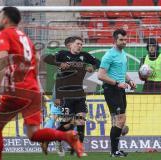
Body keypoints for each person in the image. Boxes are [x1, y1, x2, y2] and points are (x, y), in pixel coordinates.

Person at [0, 7, 83, 160]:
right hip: (32, 91)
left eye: (0, 17)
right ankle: (67, 136)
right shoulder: (25, 37)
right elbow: (37, 59)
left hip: (16, 90)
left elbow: (3, 58)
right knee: (33, 134)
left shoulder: (4, 34)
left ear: (5, 19)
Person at [43, 36, 100, 156]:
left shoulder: (84, 56)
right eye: (78, 44)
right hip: (65, 95)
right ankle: (53, 140)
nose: (80, 46)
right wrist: (59, 63)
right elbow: (46, 58)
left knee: (80, 121)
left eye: (81, 44)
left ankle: (79, 149)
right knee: (66, 125)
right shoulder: (63, 54)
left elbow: (98, 62)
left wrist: (92, 67)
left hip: (79, 93)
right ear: (70, 45)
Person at [98, 29, 136, 157]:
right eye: (121, 40)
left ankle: (115, 150)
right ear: (114, 40)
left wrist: (130, 80)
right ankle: (114, 151)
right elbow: (100, 75)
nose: (124, 42)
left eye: (125, 39)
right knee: (120, 120)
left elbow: (122, 72)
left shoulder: (123, 53)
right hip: (111, 89)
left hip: (120, 89)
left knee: (118, 121)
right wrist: (116, 83)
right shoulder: (109, 55)